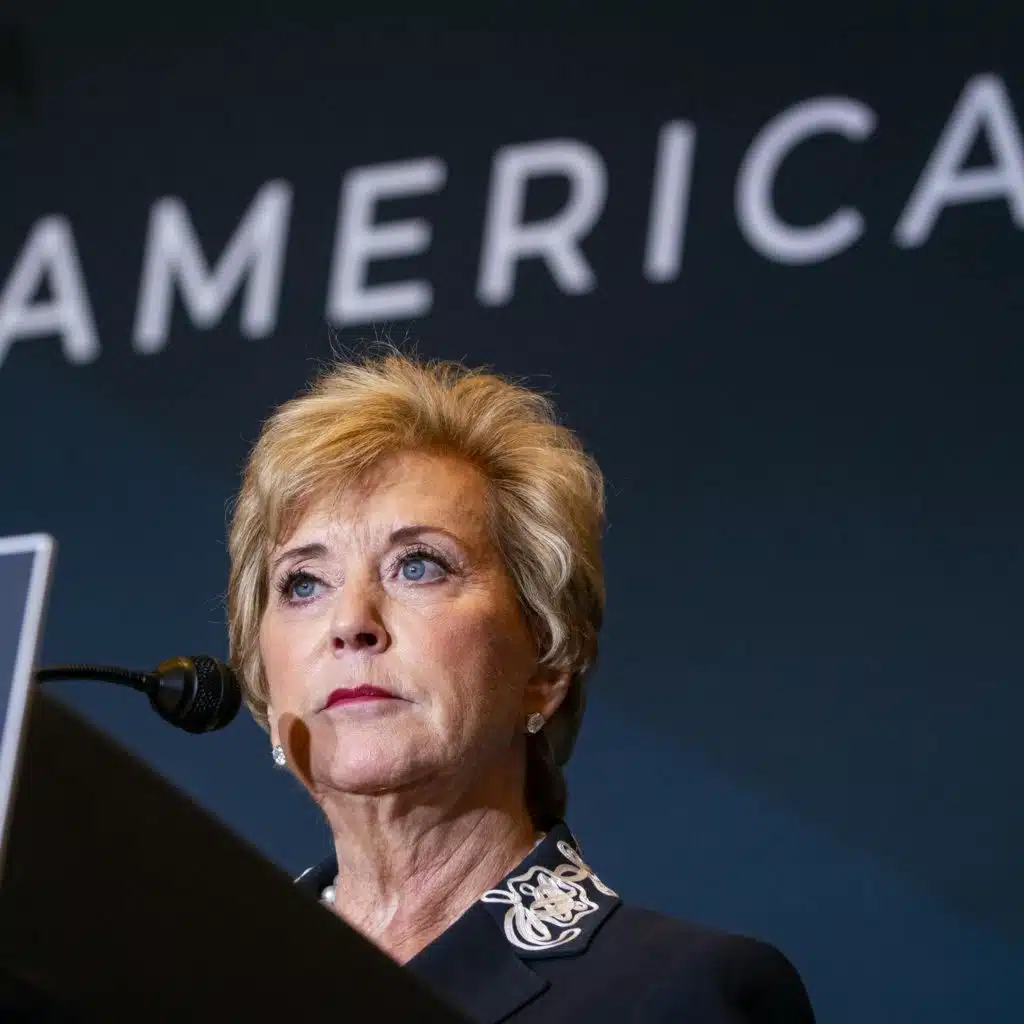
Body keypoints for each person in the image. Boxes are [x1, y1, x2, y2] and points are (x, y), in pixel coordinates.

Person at [226, 347, 816, 1023]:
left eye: (418, 566)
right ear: (264, 678)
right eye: (304, 583)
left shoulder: (684, 994)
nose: (351, 623)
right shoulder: (185, 980)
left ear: (546, 663)